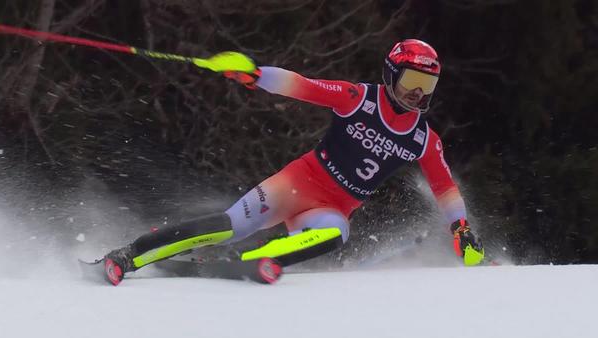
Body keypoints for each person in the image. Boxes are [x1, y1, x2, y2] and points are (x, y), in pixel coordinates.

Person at [102, 39, 484, 285]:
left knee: (336, 233)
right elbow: (303, 85)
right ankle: (130, 254)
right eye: (411, 81)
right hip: (296, 184)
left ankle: (253, 260)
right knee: (228, 226)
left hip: (333, 207)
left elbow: (444, 186)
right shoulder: (358, 98)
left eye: (427, 86)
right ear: (390, 75)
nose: (417, 94)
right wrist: (255, 76)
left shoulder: (423, 138)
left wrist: (461, 228)